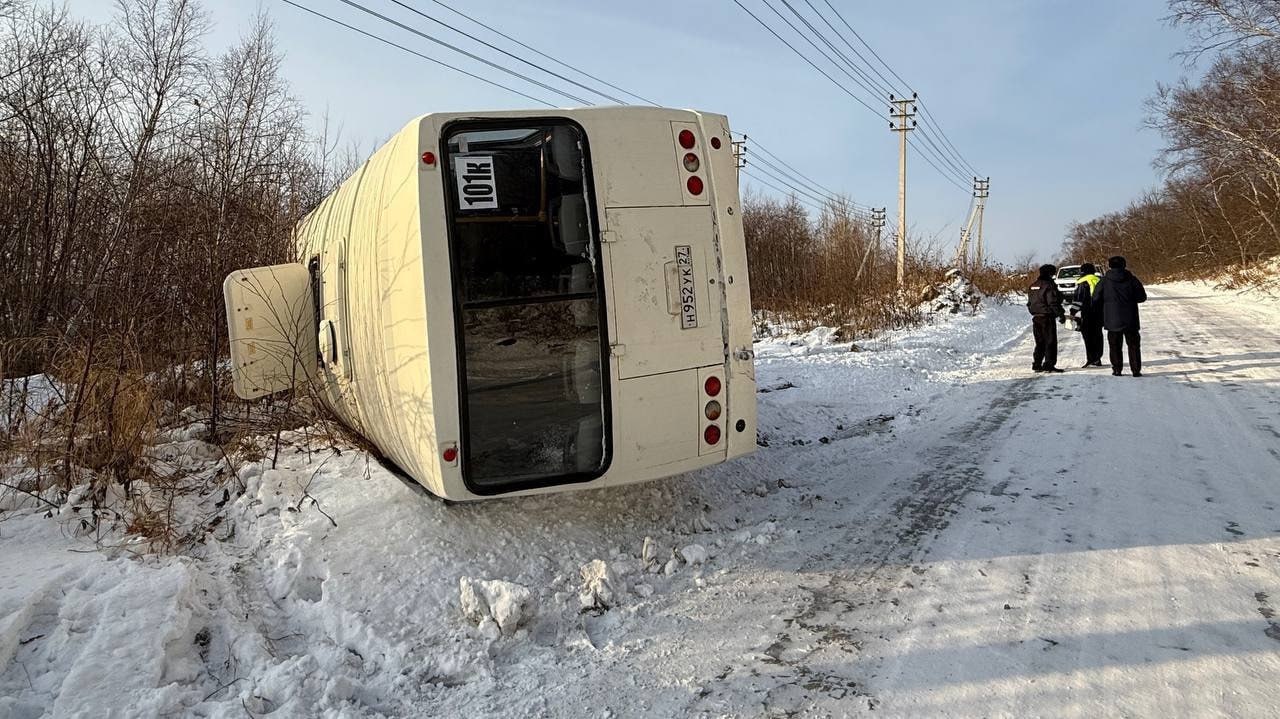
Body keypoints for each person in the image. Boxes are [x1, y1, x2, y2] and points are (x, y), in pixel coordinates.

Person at [1092, 255, 1147, 376]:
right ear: (1124, 265)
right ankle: (1136, 370)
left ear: (1110, 265)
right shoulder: (1132, 279)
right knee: (1133, 345)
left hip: (1112, 319)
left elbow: (1095, 299)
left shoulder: (1104, 281)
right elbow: (1142, 297)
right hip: (1131, 318)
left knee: (1115, 345)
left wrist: (1104, 306)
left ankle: (1117, 369)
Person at [1027, 264, 1066, 373]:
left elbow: (1030, 303)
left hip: (1036, 317)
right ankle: (1049, 364)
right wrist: (1060, 314)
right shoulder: (1048, 285)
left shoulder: (1033, 285)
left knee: (1040, 342)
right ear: (1050, 273)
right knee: (1050, 342)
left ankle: (1037, 364)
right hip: (1047, 317)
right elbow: (1052, 302)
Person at [1073, 262, 1104, 367]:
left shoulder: (1082, 282)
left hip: (1087, 313)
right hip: (1099, 313)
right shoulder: (1099, 280)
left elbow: (1078, 299)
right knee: (1098, 335)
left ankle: (1091, 358)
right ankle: (1098, 358)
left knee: (1088, 336)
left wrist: (1073, 311)